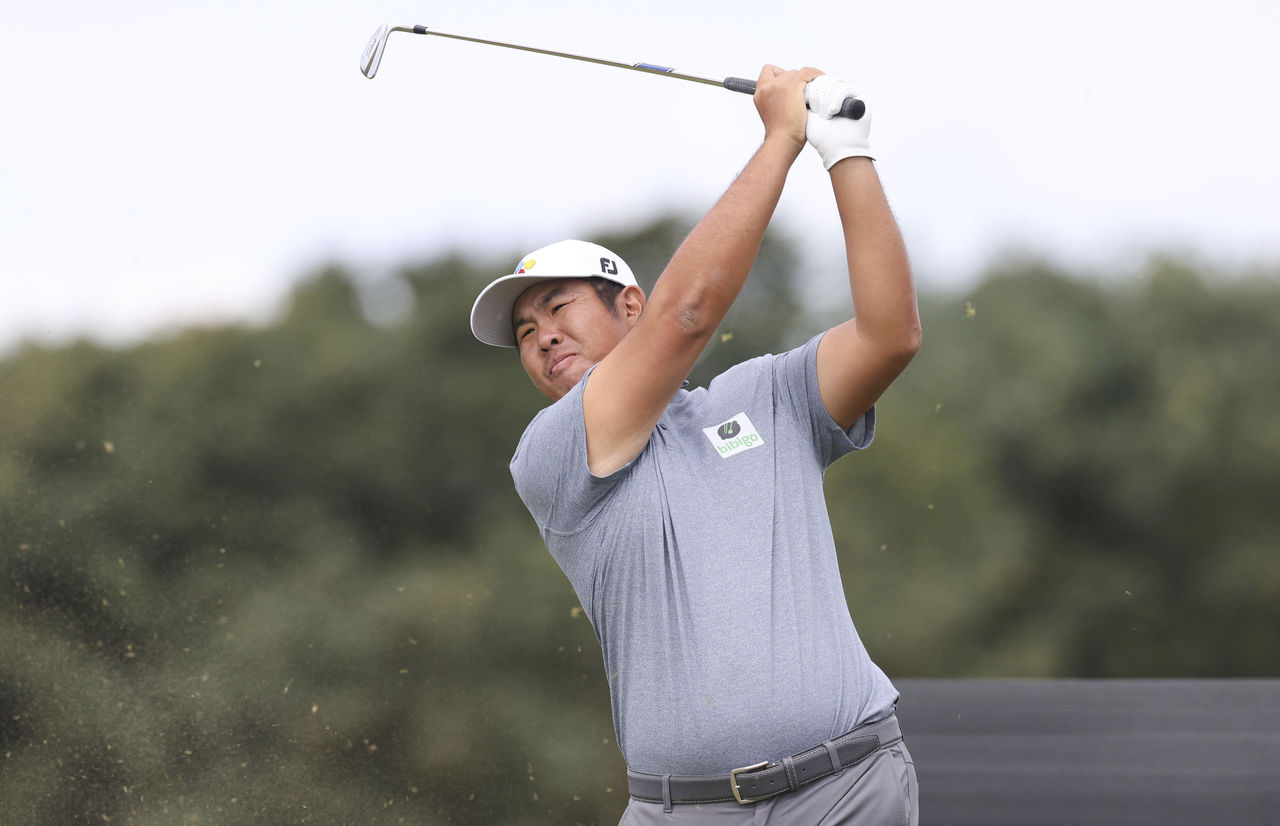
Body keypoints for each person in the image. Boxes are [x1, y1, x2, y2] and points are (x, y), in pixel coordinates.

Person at [469, 65, 921, 825]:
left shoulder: (766, 395)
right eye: (524, 331)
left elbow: (889, 335)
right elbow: (686, 316)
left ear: (629, 306)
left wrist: (845, 152)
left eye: (558, 307)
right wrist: (780, 138)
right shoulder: (553, 454)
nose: (542, 335)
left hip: (846, 789)